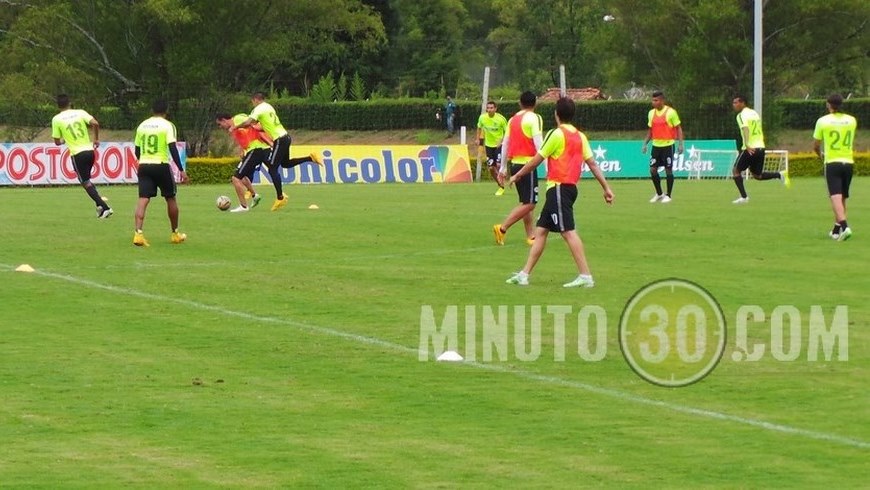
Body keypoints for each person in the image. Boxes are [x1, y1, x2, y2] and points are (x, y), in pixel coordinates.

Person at [505, 97, 614, 287]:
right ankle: (524, 274)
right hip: (568, 188)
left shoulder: (556, 134)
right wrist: (606, 188)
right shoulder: (580, 136)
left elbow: (537, 159)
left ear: (556, 114)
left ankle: (586, 276)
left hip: (558, 188)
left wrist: (518, 175)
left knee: (568, 232)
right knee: (541, 231)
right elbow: (592, 163)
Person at [231, 92, 323, 211]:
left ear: (255, 100)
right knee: (285, 164)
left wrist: (237, 126)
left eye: (252, 102)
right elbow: (262, 126)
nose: (252, 104)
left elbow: (249, 122)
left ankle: (280, 197)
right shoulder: (269, 107)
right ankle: (310, 158)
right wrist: (253, 127)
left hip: (279, 139)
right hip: (286, 137)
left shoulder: (258, 108)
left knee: (272, 168)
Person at [132, 99, 189, 247]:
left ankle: (138, 234)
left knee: (143, 199)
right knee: (170, 198)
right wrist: (181, 170)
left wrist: (143, 161)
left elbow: (137, 150)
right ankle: (175, 233)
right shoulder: (168, 126)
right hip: (161, 165)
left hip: (144, 165)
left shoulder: (142, 125)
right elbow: (172, 148)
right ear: (166, 110)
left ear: (152, 110)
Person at [493, 91, 544, 246]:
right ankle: (502, 228)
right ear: (535, 103)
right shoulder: (535, 118)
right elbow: (539, 143)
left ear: (520, 103)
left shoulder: (513, 119)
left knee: (525, 201)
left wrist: (502, 167)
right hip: (528, 165)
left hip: (515, 164)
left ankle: (531, 235)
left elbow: (506, 143)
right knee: (530, 203)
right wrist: (547, 164)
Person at [50, 94, 112, 218]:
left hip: (77, 154)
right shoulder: (80, 112)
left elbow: (57, 142)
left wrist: (64, 140)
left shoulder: (56, 119)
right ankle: (99, 206)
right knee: (87, 180)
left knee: (85, 182)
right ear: (69, 103)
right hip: (90, 152)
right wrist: (96, 139)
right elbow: (95, 123)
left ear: (58, 106)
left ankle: (105, 208)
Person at [730, 95, 790, 204]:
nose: (734, 105)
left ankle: (744, 197)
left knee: (736, 170)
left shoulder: (741, 115)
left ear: (742, 103)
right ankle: (779, 175)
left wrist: (747, 144)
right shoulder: (754, 113)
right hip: (760, 147)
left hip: (750, 148)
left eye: (736, 102)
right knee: (757, 175)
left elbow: (746, 129)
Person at [813, 93, 857, 240]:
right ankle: (836, 229)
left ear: (828, 104)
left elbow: (816, 145)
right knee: (843, 196)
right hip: (848, 162)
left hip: (832, 162)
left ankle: (845, 226)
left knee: (835, 197)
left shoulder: (823, 121)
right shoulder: (851, 120)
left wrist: (820, 154)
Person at [215, 113, 272, 212]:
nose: (220, 127)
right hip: (252, 150)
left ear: (224, 120)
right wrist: (242, 150)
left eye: (220, 124)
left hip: (256, 149)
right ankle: (255, 195)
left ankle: (243, 206)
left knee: (235, 178)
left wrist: (268, 141)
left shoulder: (238, 119)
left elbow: (254, 124)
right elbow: (242, 138)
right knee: (242, 175)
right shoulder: (233, 128)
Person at [641, 91, 684, 203]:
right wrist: (645, 143)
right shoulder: (651, 113)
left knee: (668, 170)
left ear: (662, 100)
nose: (653, 102)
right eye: (653, 100)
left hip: (668, 145)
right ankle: (659, 193)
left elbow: (678, 128)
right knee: (653, 170)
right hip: (656, 145)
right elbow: (650, 130)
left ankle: (668, 195)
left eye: (656, 100)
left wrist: (680, 144)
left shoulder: (671, 112)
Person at [476, 100, 509, 196]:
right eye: (488, 108)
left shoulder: (501, 119)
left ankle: (502, 183)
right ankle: (500, 184)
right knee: (491, 168)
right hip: (489, 145)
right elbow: (479, 127)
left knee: (498, 165)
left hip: (499, 145)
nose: (489, 110)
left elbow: (507, 132)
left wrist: (502, 140)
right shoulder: (482, 118)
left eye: (491, 108)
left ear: (495, 109)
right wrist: (477, 139)